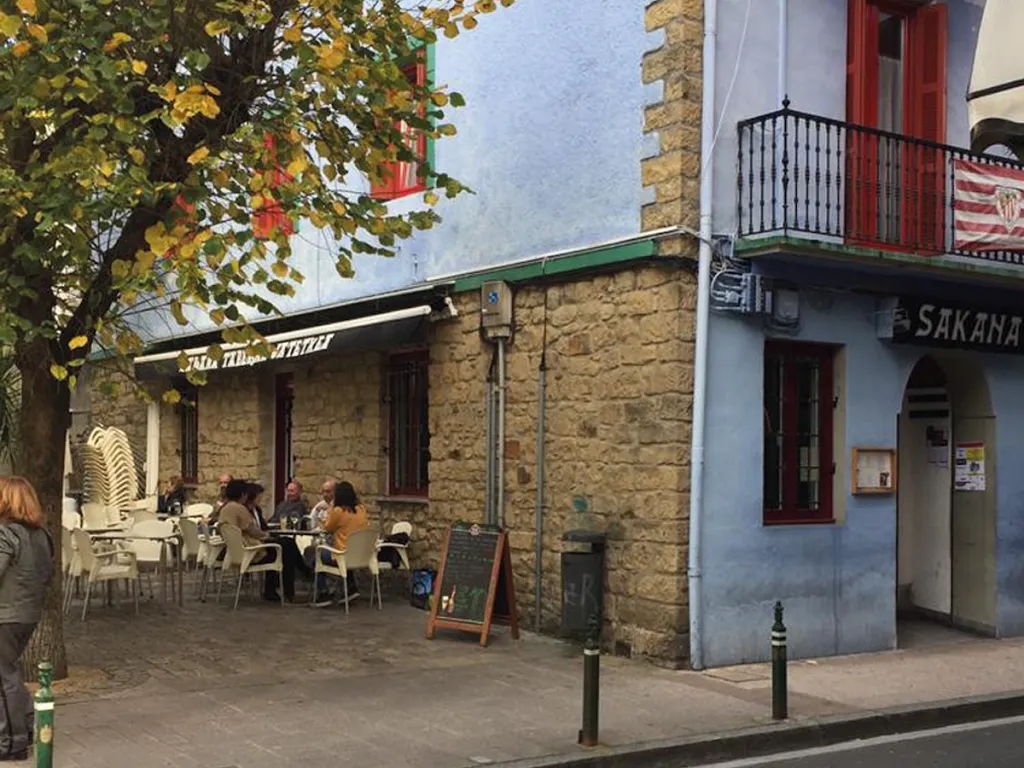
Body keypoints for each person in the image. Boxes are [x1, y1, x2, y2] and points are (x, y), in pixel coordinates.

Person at [0, 477, 54, 761]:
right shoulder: (42, 535)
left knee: (4, 676)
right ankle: (28, 730)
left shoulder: (5, 534)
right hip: (28, 613)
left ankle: (12, 743)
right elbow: (47, 575)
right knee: (9, 672)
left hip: (6, 614)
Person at [217, 480, 311, 603]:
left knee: (286, 544)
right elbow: (253, 530)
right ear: (243, 494)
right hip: (250, 552)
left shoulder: (226, 508)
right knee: (284, 548)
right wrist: (267, 536)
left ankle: (288, 585)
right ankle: (293, 585)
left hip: (237, 551)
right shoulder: (239, 509)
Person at [310, 481, 369, 608]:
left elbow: (327, 528)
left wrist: (323, 516)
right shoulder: (361, 509)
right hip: (361, 555)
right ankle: (351, 588)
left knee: (316, 557)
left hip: (343, 556)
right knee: (344, 550)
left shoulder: (338, 511)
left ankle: (324, 592)